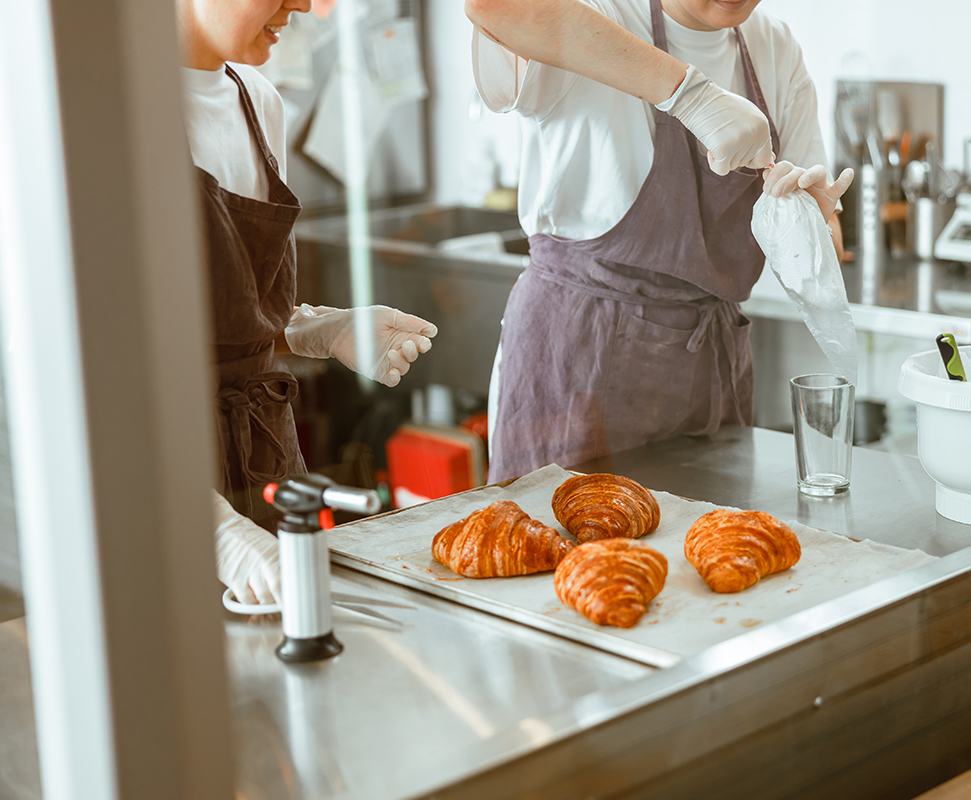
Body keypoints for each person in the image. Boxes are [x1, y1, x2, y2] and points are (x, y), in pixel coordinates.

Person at [465, 0, 853, 481]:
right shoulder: (600, 10)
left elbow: (826, 251)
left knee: (703, 550)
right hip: (578, 362)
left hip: (711, 368)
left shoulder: (773, 46)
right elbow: (492, 7)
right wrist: (690, 94)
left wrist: (807, 220)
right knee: (562, 546)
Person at [176, 0, 438, 605]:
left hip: (267, 462)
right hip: (155, 487)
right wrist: (221, 537)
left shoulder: (258, 101)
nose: (309, 5)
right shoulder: (104, 122)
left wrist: (313, 330)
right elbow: (90, 382)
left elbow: (233, 310)